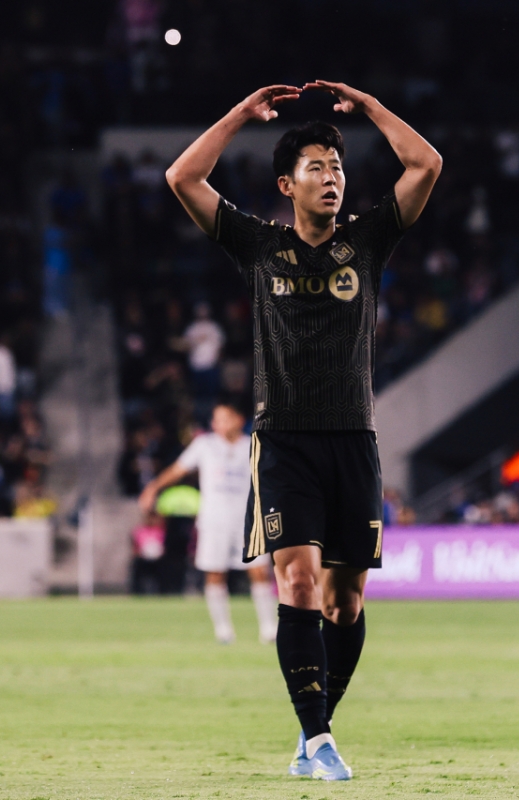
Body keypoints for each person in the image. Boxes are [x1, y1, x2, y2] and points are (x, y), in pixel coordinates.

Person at [166, 80, 441, 780]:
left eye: (338, 166)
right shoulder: (260, 247)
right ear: (287, 184)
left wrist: (371, 109)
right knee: (296, 580)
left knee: (345, 603)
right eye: (316, 167)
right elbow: (183, 177)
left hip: (353, 440)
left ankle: (314, 729)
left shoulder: (367, 242)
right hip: (285, 440)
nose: (331, 177)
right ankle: (319, 740)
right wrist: (240, 114)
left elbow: (426, 164)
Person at [139, 402, 276, 643]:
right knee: (215, 573)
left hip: (248, 521)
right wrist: (153, 487)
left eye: (224, 419)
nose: (218, 424)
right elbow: (178, 469)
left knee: (259, 572)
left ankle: (269, 629)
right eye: (216, 419)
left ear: (238, 420)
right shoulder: (205, 445)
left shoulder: (253, 445)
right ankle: (223, 630)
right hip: (214, 521)